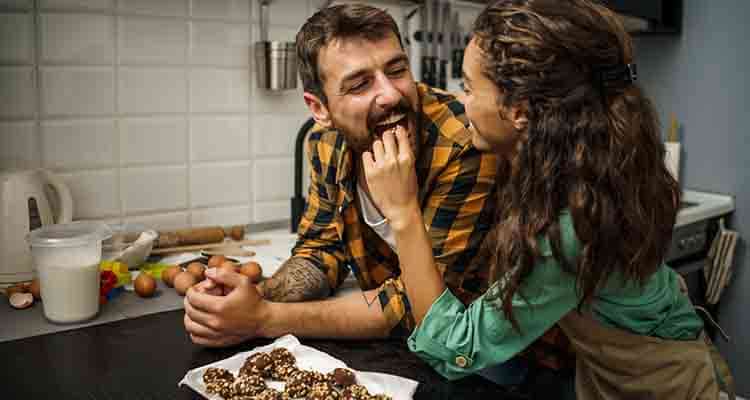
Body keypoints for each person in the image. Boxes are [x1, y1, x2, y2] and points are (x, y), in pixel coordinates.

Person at [361, 0, 735, 399]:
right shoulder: (587, 165)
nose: (460, 98)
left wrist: (403, 213)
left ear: (520, 111)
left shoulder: (574, 224)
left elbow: (457, 348)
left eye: (468, 86)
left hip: (668, 385)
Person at [182, 4, 498, 347]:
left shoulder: (463, 142)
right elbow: (322, 249)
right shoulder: (326, 144)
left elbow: (424, 305)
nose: (391, 94)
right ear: (319, 109)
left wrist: (263, 318)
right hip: (402, 347)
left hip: (488, 359)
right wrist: (253, 295)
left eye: (397, 70)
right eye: (360, 84)